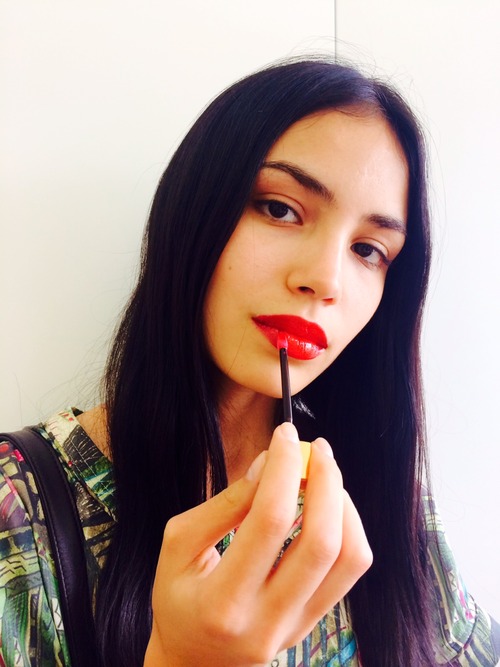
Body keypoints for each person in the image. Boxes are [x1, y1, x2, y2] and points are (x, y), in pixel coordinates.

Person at [0, 57, 498, 667]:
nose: (326, 279)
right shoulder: (16, 509)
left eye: (369, 249)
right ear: (192, 211)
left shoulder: (384, 500)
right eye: (280, 209)